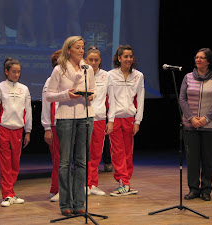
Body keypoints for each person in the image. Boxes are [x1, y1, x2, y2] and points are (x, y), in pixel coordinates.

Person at [46, 36, 95, 216]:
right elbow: (49, 96)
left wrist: (90, 95)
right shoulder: (59, 70)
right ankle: (65, 203)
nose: (81, 51)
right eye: (77, 48)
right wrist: (67, 95)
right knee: (65, 162)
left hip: (85, 116)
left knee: (82, 162)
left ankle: (79, 203)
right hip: (65, 117)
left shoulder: (87, 69)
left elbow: (94, 90)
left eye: (83, 48)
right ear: (68, 50)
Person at [179, 48, 212, 201]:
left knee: (207, 159)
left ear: (208, 61)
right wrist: (191, 118)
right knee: (192, 159)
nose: (198, 60)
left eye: (202, 58)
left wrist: (206, 118)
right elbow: (182, 99)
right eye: (196, 57)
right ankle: (193, 189)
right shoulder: (188, 77)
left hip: (210, 126)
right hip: (190, 125)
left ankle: (206, 190)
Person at [0, 58, 32, 207]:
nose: (16, 74)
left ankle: (12, 193)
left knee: (15, 164)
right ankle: (7, 194)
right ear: (6, 72)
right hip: (3, 129)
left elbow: (27, 111)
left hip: (19, 130)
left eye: (19, 72)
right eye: (14, 72)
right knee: (5, 163)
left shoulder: (24, 89)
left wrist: (28, 131)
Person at [108, 45, 145, 196]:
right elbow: (108, 98)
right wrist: (110, 119)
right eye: (125, 56)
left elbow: (140, 99)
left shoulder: (138, 76)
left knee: (128, 153)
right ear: (119, 58)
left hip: (130, 118)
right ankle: (124, 182)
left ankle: (126, 183)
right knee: (117, 152)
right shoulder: (110, 75)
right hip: (115, 118)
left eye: (130, 56)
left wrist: (138, 121)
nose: (129, 59)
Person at [85, 46, 115, 196]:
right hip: (83, 119)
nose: (93, 62)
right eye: (90, 59)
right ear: (86, 60)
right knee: (84, 153)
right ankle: (84, 184)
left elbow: (112, 99)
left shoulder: (106, 76)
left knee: (96, 153)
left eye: (96, 60)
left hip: (100, 119)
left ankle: (92, 184)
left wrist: (111, 120)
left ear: (100, 61)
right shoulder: (80, 74)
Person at [41, 50, 61, 202]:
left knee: (64, 159)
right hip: (55, 126)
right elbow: (46, 107)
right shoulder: (50, 81)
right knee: (59, 159)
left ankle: (56, 189)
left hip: (67, 123)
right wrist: (47, 127)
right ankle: (57, 189)